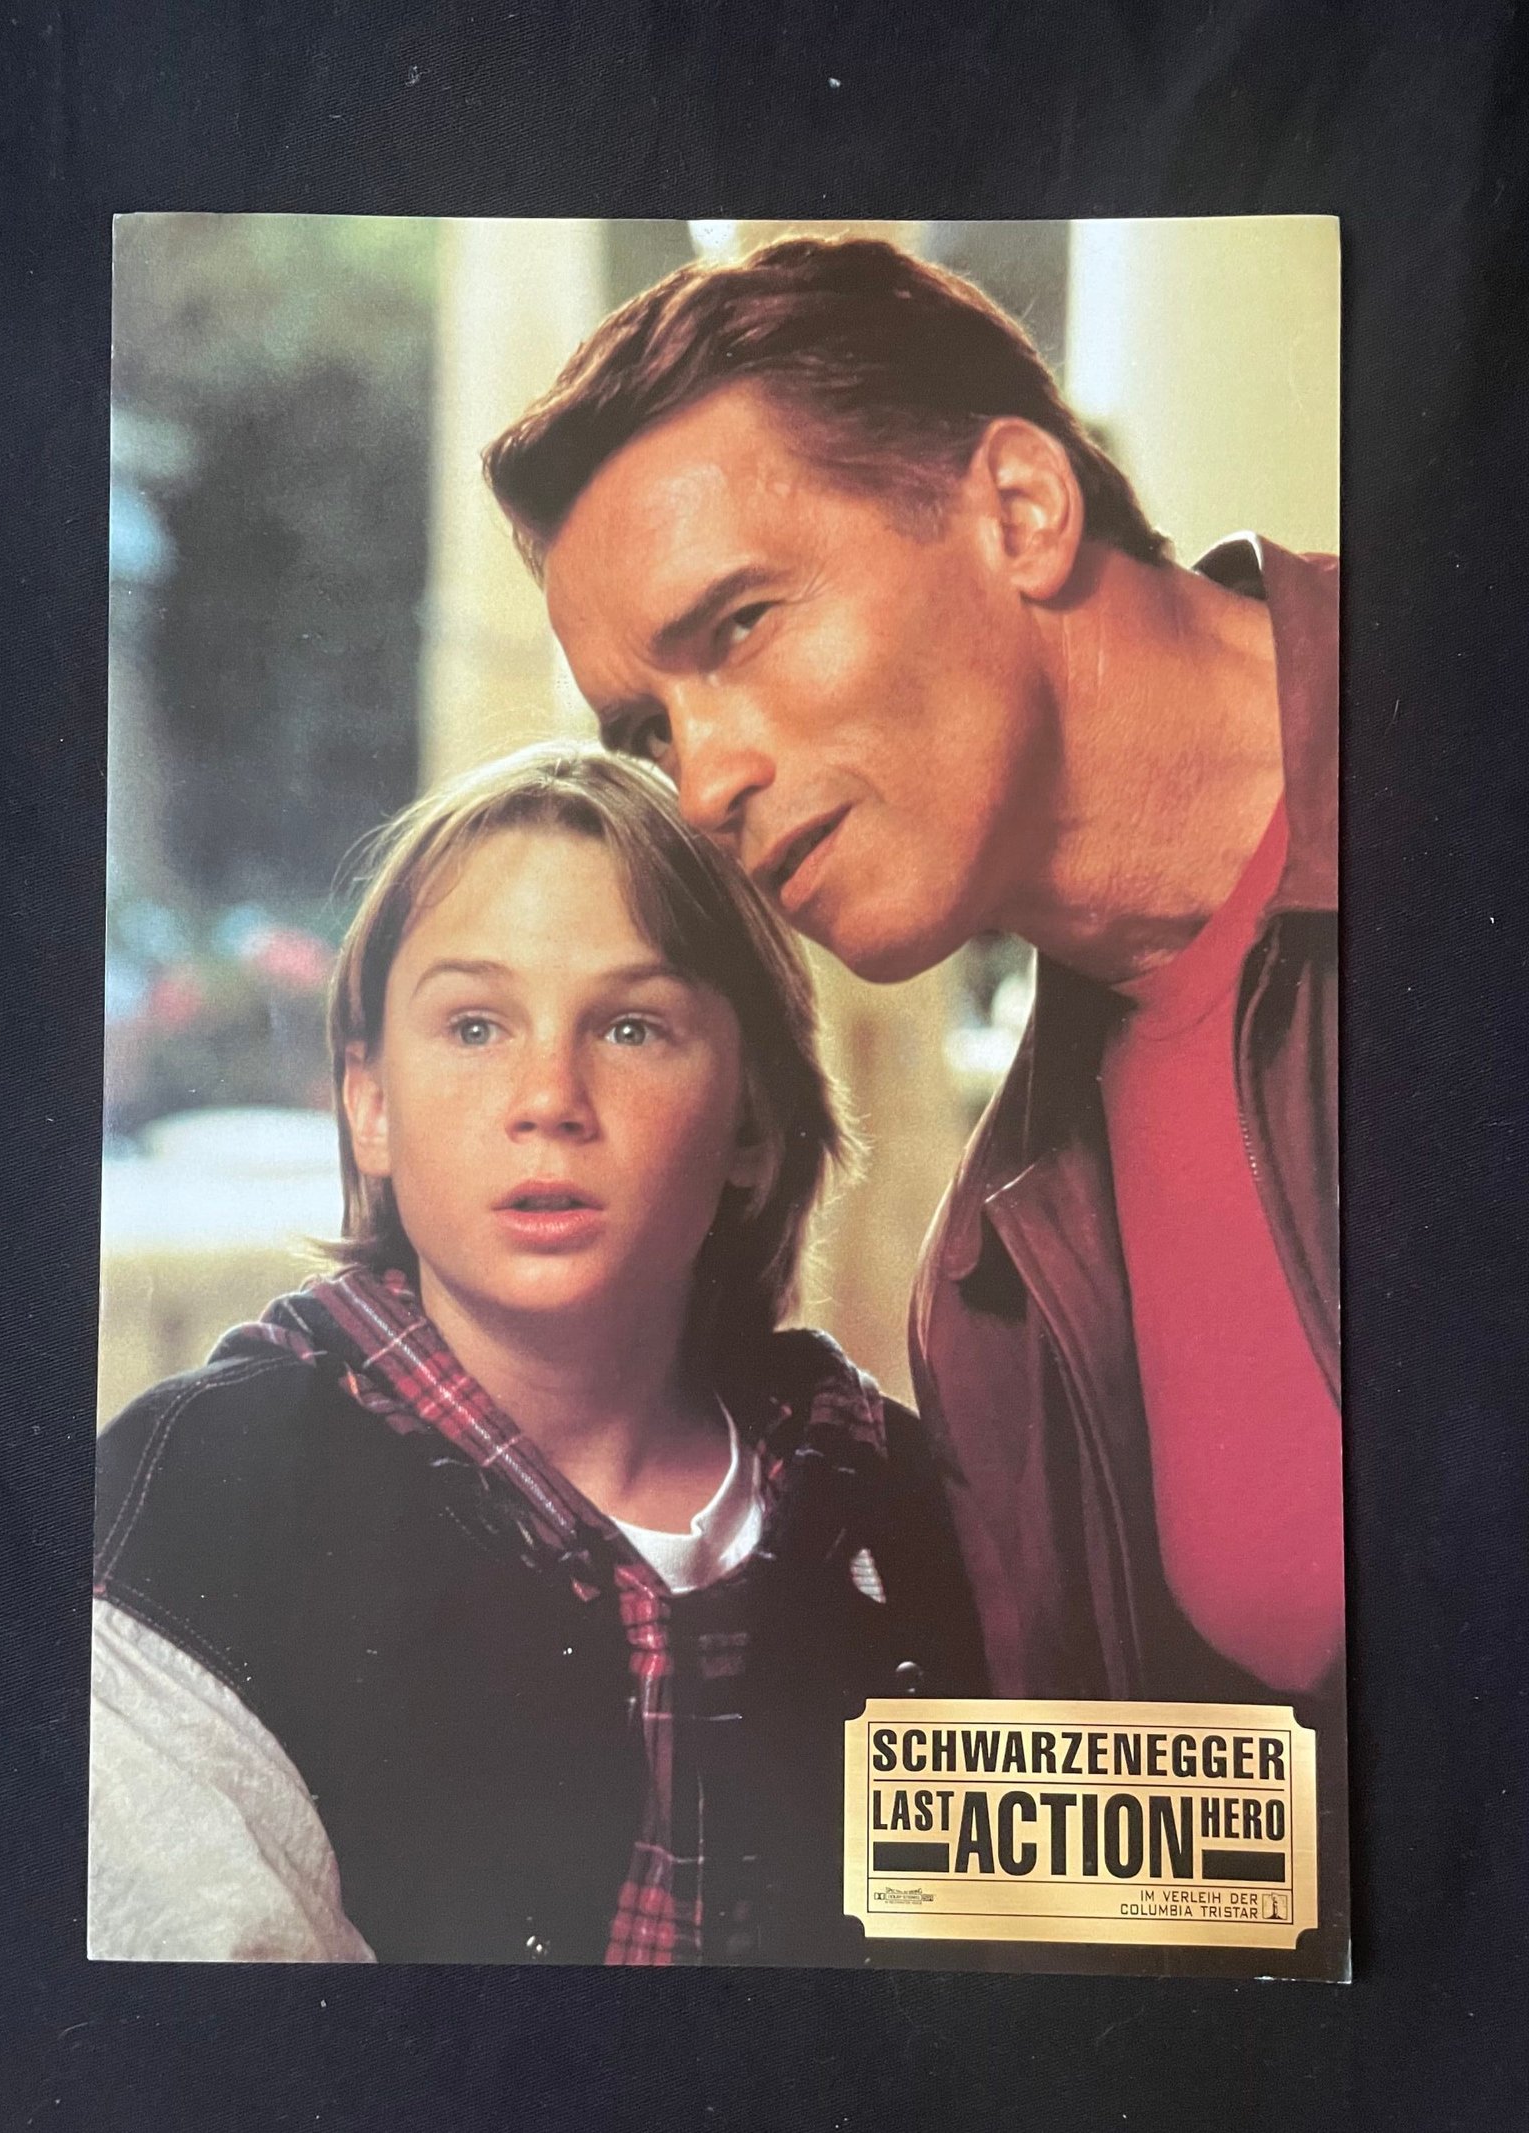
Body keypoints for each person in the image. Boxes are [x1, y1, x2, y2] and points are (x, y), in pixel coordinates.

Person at [482, 235, 1343, 1742]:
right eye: (648, 729)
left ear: (1019, 510)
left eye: (740, 625)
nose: (701, 784)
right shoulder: (994, 1285)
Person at [89, 744, 983, 1966]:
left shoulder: (893, 1497)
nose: (548, 1096)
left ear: (754, 1127)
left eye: (631, 1026)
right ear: (370, 1105)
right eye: (473, 1026)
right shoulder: (197, 1498)